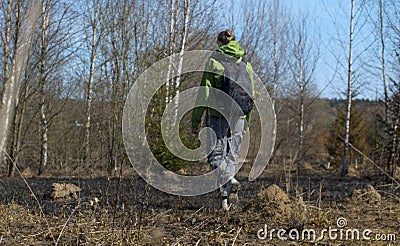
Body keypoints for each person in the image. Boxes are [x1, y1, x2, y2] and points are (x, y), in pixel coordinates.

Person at [191, 29, 254, 211]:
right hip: (239, 114)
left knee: (215, 155)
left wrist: (195, 122)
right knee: (230, 157)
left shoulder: (214, 60)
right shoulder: (245, 62)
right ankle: (225, 203)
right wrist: (246, 120)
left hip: (217, 113)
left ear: (219, 43)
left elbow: (205, 93)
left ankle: (228, 181)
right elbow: (252, 94)